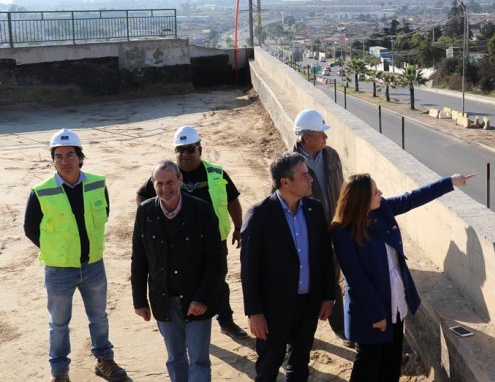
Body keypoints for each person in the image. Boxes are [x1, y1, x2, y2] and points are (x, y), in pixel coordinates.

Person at [330, 172, 475, 382]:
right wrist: (377, 315)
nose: (380, 194)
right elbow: (356, 279)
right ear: (361, 200)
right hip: (370, 311)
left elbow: (413, 198)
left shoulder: (382, 209)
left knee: (390, 365)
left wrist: (449, 182)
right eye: (375, 192)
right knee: (367, 366)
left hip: (395, 301)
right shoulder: (342, 232)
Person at [23, 128, 128, 382]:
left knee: (99, 317)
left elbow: (104, 215)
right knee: (58, 325)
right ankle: (60, 373)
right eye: (58, 156)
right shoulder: (41, 191)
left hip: (93, 265)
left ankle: (104, 361)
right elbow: (30, 229)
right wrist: (58, 251)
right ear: (53, 160)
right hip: (59, 270)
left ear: (80, 157)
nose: (64, 161)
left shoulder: (97, 184)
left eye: (70, 155)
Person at [135, 125, 247, 340]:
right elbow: (142, 198)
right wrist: (149, 223)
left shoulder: (215, 173)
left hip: (212, 239)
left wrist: (239, 227)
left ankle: (226, 320)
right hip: (176, 241)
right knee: (180, 284)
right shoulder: (167, 176)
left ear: (200, 150)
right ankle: (189, 324)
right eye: (180, 150)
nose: (185, 154)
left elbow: (232, 199)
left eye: (190, 149)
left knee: (217, 281)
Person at [240, 152, 336, 381]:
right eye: (304, 175)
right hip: (273, 309)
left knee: (300, 365)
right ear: (285, 182)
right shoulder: (259, 215)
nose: (311, 179)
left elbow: (324, 257)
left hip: (308, 304)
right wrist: (254, 313)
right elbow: (249, 270)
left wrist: (328, 297)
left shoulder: (314, 210)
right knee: (269, 365)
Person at [131, 160, 225, 382]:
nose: (166, 188)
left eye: (170, 182)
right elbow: (139, 259)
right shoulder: (145, 212)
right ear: (153, 185)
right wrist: (139, 300)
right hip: (163, 300)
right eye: (159, 183)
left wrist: (202, 298)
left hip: (197, 300)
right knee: (175, 359)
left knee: (199, 360)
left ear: (181, 180)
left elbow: (216, 260)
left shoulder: (202, 210)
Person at [292, 109, 345, 339]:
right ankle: (303, 333)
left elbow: (341, 187)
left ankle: (341, 328)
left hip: (335, 226)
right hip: (307, 234)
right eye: (321, 134)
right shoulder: (289, 164)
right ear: (305, 138)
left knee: (333, 278)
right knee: (308, 281)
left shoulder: (331, 155)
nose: (326, 137)